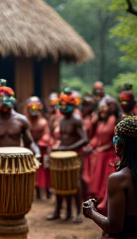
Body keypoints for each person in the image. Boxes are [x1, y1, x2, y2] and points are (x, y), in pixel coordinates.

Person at [83, 116, 137, 238]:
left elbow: (113, 227)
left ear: (120, 144)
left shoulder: (119, 179)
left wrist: (91, 212)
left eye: (116, 140)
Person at [47, 88, 88, 222]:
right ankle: (59, 211)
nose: (64, 108)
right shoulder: (61, 119)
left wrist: (68, 148)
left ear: (73, 105)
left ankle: (77, 213)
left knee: (75, 184)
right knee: (60, 183)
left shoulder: (76, 119)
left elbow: (84, 139)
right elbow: (61, 138)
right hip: (62, 154)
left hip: (75, 156)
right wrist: (56, 148)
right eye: (62, 105)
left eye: (66, 105)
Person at [0, 79, 40, 157]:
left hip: (17, 159)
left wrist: (37, 153)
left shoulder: (21, 120)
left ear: (12, 101)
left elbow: (29, 143)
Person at [82, 99, 116, 213]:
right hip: (97, 150)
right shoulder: (99, 121)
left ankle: (99, 197)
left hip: (108, 153)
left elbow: (114, 140)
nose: (102, 110)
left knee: (99, 156)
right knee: (90, 155)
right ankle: (92, 195)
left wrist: (104, 148)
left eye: (104, 107)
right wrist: (92, 123)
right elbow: (93, 136)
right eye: (100, 108)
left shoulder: (113, 120)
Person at [26, 96, 54, 200]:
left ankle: (47, 191)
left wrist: (42, 144)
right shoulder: (25, 121)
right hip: (30, 149)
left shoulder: (43, 122)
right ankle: (36, 193)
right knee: (32, 171)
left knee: (45, 170)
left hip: (42, 150)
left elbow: (47, 135)